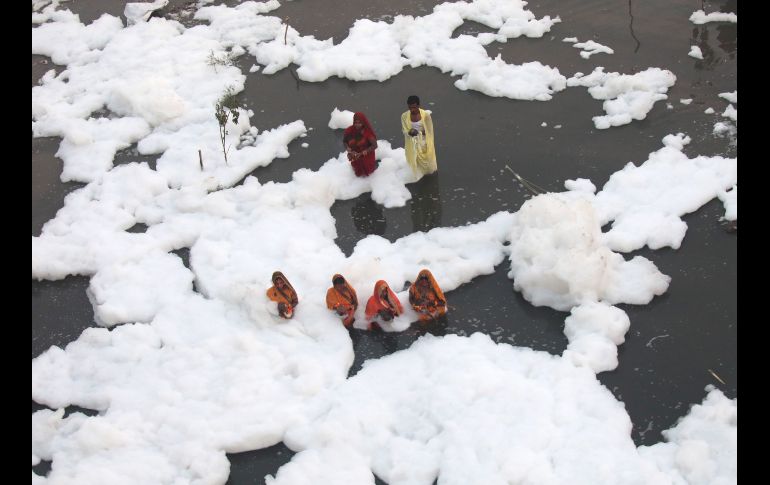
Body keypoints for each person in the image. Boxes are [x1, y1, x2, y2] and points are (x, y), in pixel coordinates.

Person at [401, 95, 437, 176]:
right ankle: (416, 174)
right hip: (412, 142)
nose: (412, 110)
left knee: (427, 162)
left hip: (424, 142)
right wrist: (409, 132)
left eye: (414, 107)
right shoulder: (404, 116)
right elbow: (404, 130)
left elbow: (429, 131)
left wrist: (418, 132)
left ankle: (426, 174)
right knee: (414, 160)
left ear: (418, 105)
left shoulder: (425, 115)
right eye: (410, 108)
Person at [343, 112, 379, 177]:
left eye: (359, 123)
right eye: (355, 123)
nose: (357, 125)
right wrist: (348, 148)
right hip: (355, 155)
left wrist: (364, 152)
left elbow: (375, 145)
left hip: (366, 156)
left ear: (363, 122)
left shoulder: (367, 133)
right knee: (357, 168)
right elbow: (344, 141)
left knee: (368, 170)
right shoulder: (349, 131)